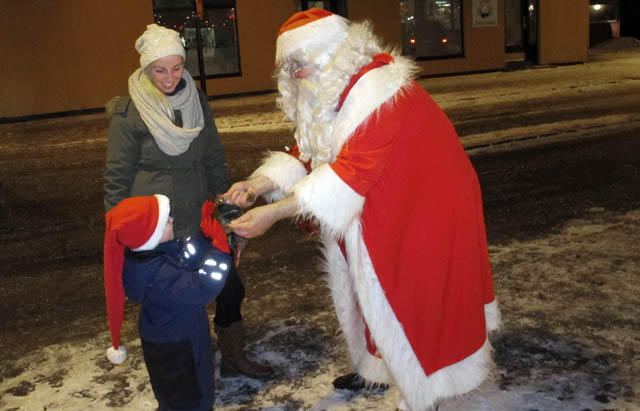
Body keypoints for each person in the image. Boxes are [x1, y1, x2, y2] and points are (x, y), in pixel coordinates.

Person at [223, 9, 501, 411]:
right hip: (386, 195)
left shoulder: (378, 93)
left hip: (428, 202)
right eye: (290, 67)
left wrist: (273, 213)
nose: (295, 75)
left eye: (301, 65)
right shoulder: (336, 88)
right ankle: (378, 365)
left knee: (412, 292)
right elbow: (316, 150)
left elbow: (349, 173)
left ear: (331, 55)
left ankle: (423, 387)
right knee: (366, 287)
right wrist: (258, 184)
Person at [103, 24, 273, 380]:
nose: (169, 78)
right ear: (146, 69)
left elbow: (212, 154)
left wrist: (225, 199)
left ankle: (231, 356)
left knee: (229, 286)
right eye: (159, 70)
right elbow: (116, 176)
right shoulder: (129, 112)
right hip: (157, 229)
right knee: (173, 304)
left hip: (197, 217)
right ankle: (181, 377)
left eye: (176, 68)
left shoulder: (197, 100)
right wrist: (121, 230)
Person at [103, 195, 232, 410]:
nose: (172, 220)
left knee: (173, 394)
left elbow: (184, 256)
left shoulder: (145, 259)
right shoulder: (161, 275)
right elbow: (203, 288)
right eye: (166, 221)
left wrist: (202, 237)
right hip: (182, 343)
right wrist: (220, 252)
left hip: (164, 340)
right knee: (193, 397)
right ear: (150, 236)